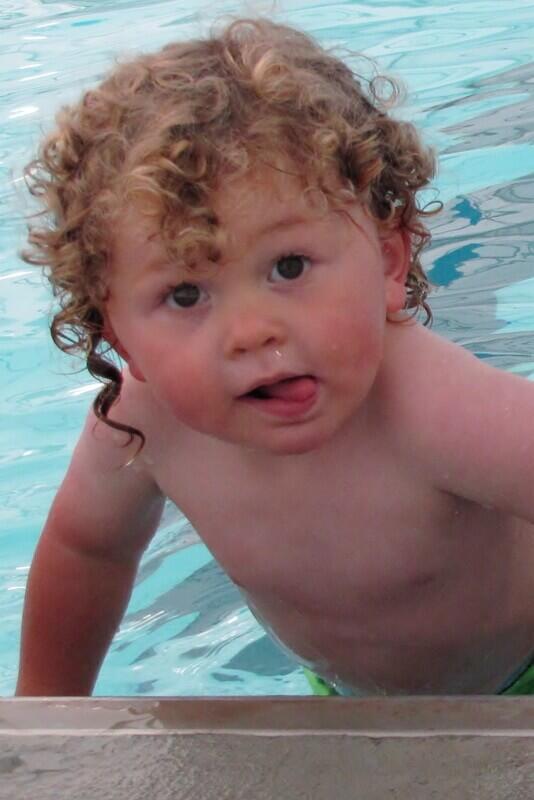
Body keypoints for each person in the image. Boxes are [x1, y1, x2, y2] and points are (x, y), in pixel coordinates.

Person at [16, 18, 533, 698]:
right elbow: (88, 550)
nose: (251, 332)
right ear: (116, 335)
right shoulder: (142, 428)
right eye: (184, 293)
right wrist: (42, 727)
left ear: (387, 259)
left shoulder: (431, 407)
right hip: (345, 703)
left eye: (288, 266)